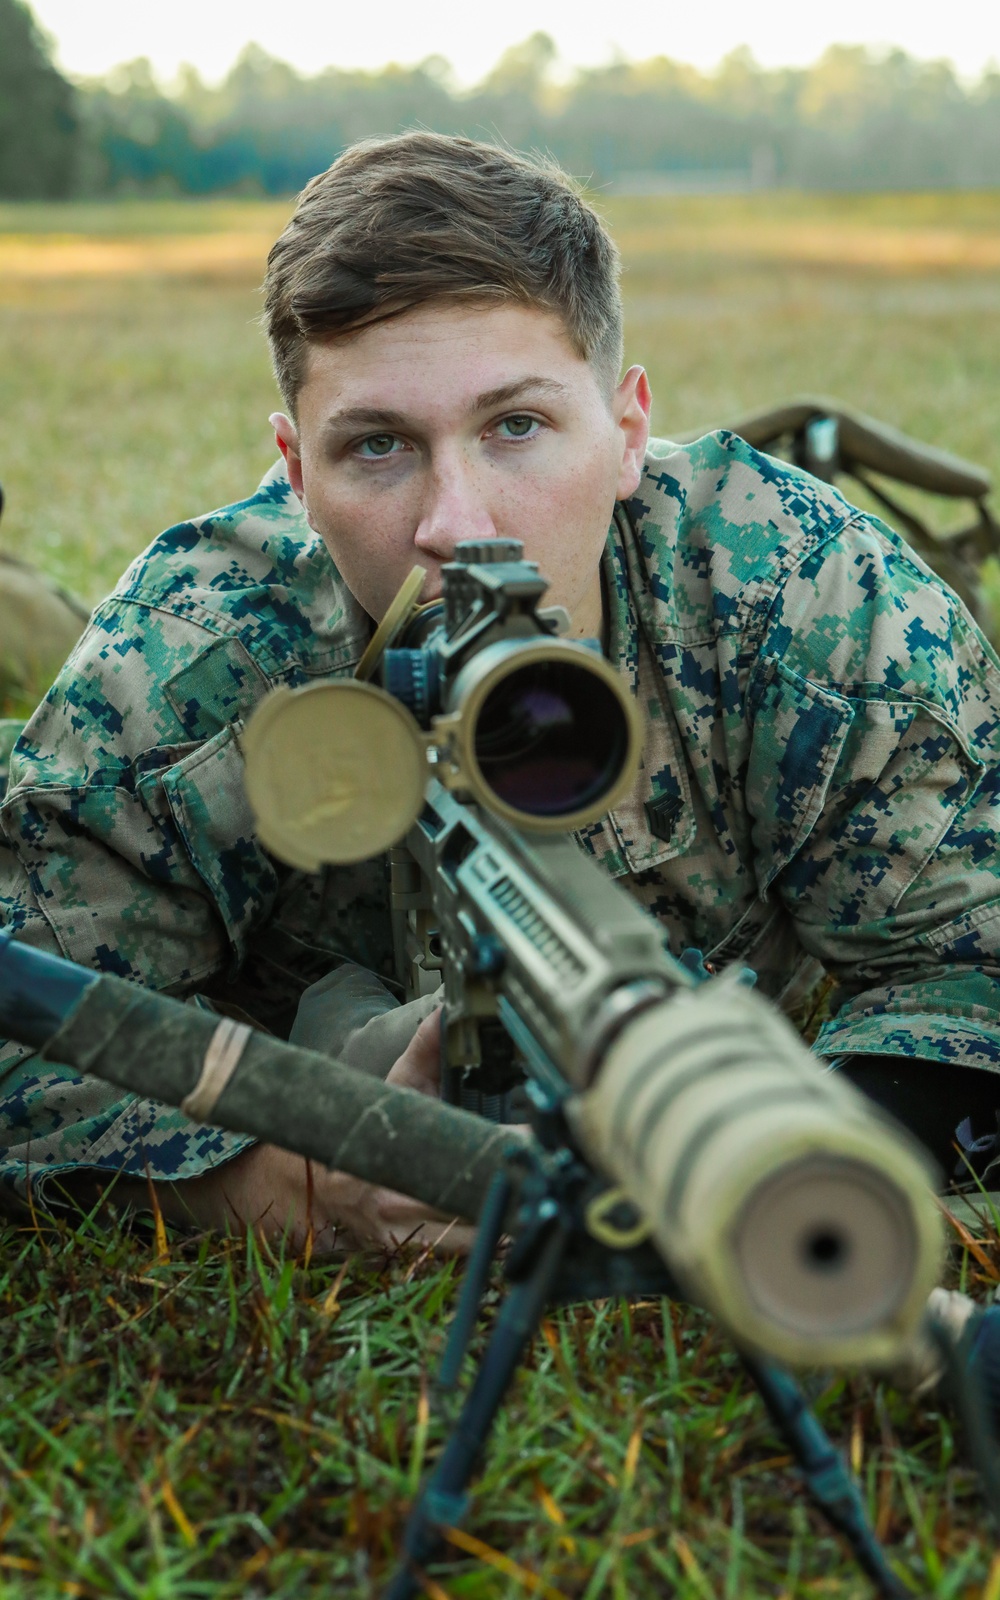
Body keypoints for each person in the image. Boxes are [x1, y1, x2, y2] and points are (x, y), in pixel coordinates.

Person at [1, 132, 999, 1255]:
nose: (456, 526)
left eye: (515, 426)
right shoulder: (189, 655)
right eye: (378, 446)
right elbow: (25, 1018)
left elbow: (970, 957)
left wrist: (758, 1170)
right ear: (294, 472)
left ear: (625, 434)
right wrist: (294, 1190)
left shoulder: (806, 598)